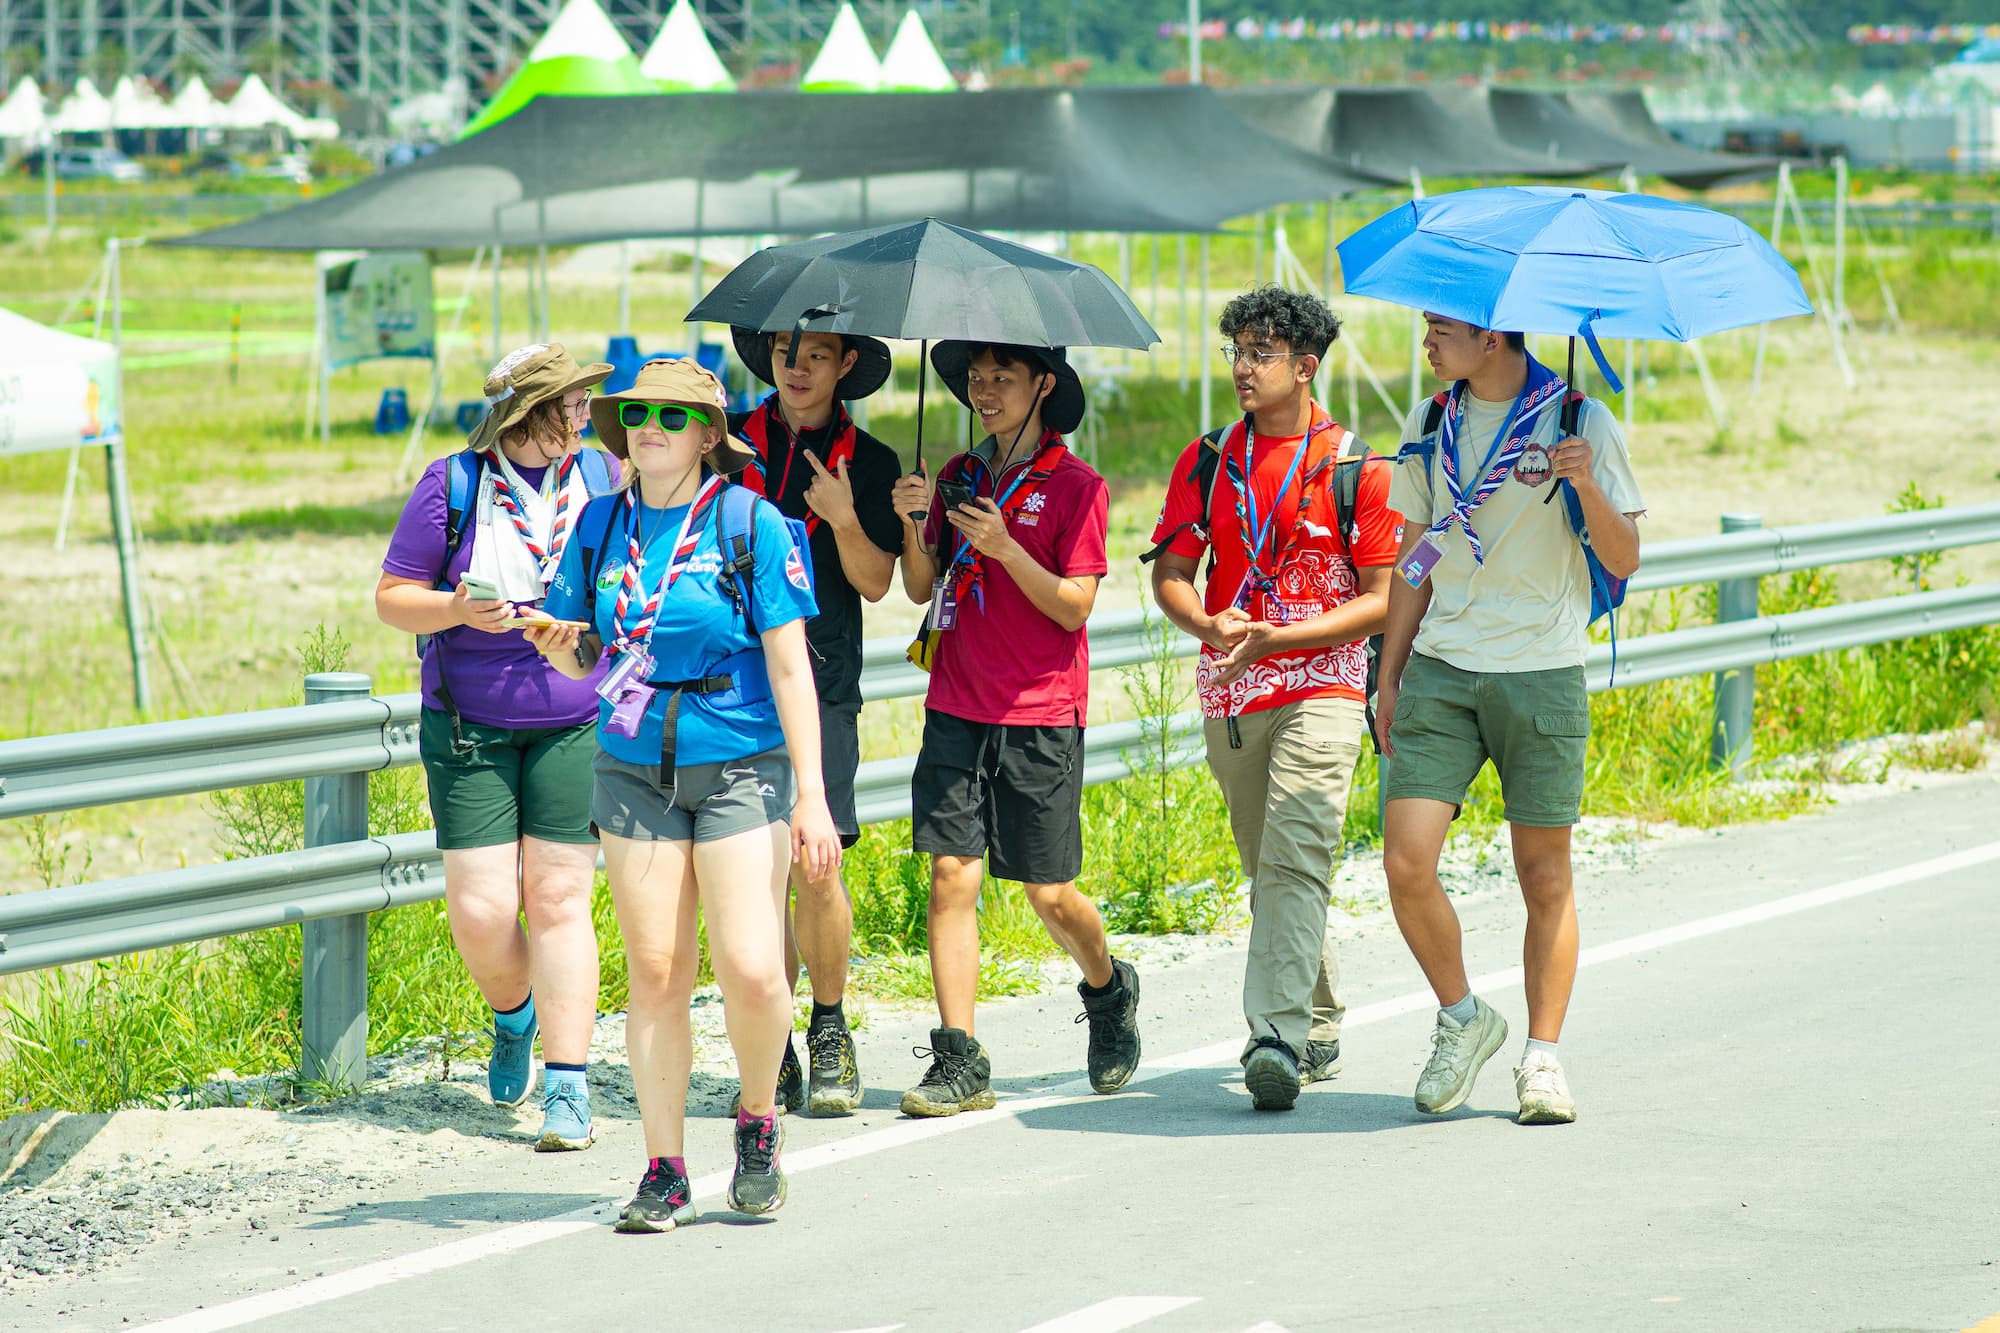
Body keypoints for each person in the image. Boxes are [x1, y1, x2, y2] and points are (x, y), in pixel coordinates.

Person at [526, 358, 840, 1233]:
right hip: (632, 770)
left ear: (709, 434)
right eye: (636, 413)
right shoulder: (596, 524)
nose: (649, 425)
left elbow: (789, 666)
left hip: (742, 764)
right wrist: (558, 647)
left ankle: (756, 1122)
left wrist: (809, 795)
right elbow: (587, 652)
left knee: (749, 962)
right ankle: (664, 1167)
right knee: (658, 970)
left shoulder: (752, 524)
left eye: (672, 413)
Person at [1376, 316, 1644, 1125]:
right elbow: (1414, 555)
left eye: (1441, 328)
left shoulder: (1580, 421)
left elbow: (1626, 555)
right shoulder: (1430, 422)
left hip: (1542, 672)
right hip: (1444, 669)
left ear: (1492, 337)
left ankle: (1543, 1058)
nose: (1426, 340)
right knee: (1405, 861)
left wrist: (1585, 482)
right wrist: (1388, 673)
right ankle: (1463, 1017)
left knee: (1545, 876)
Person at [1145, 287, 1398, 1112]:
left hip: (1323, 680)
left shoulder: (1360, 465)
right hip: (1234, 685)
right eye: (1236, 352)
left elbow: (1384, 595)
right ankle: (1318, 1012)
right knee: (1269, 866)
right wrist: (1209, 624)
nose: (1243, 368)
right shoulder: (1209, 457)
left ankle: (1275, 1036)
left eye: (1260, 353)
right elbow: (1171, 574)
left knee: (1297, 851)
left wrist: (1289, 638)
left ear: (1305, 366)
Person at [888, 341, 1140, 1118]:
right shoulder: (959, 474)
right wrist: (912, 523)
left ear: (1043, 386)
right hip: (956, 701)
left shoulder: (1077, 485)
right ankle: (959, 1056)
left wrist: (1004, 546)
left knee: (1048, 891)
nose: (985, 391)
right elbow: (920, 587)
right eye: (975, 378)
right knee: (950, 876)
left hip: (1039, 710)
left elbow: (1074, 604)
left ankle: (1108, 987)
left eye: (1003, 378)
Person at [375, 342, 614, 1153]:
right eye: (571, 405)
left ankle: (569, 1084)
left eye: (586, 404)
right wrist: (454, 610)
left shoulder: (601, 477)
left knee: (557, 900)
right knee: (481, 913)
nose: (585, 417)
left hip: (576, 717)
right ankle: (516, 1016)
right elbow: (391, 599)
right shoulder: (455, 485)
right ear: (527, 412)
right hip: (469, 723)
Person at [726, 322, 904, 1116]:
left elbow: (875, 583)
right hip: (729, 682)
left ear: (848, 366)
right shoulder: (729, 444)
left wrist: (841, 515)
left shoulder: (871, 462)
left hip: (824, 680)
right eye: (785, 354)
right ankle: (773, 1037)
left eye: (818, 356)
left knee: (815, 863)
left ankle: (831, 1027)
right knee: (747, 875)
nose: (796, 369)